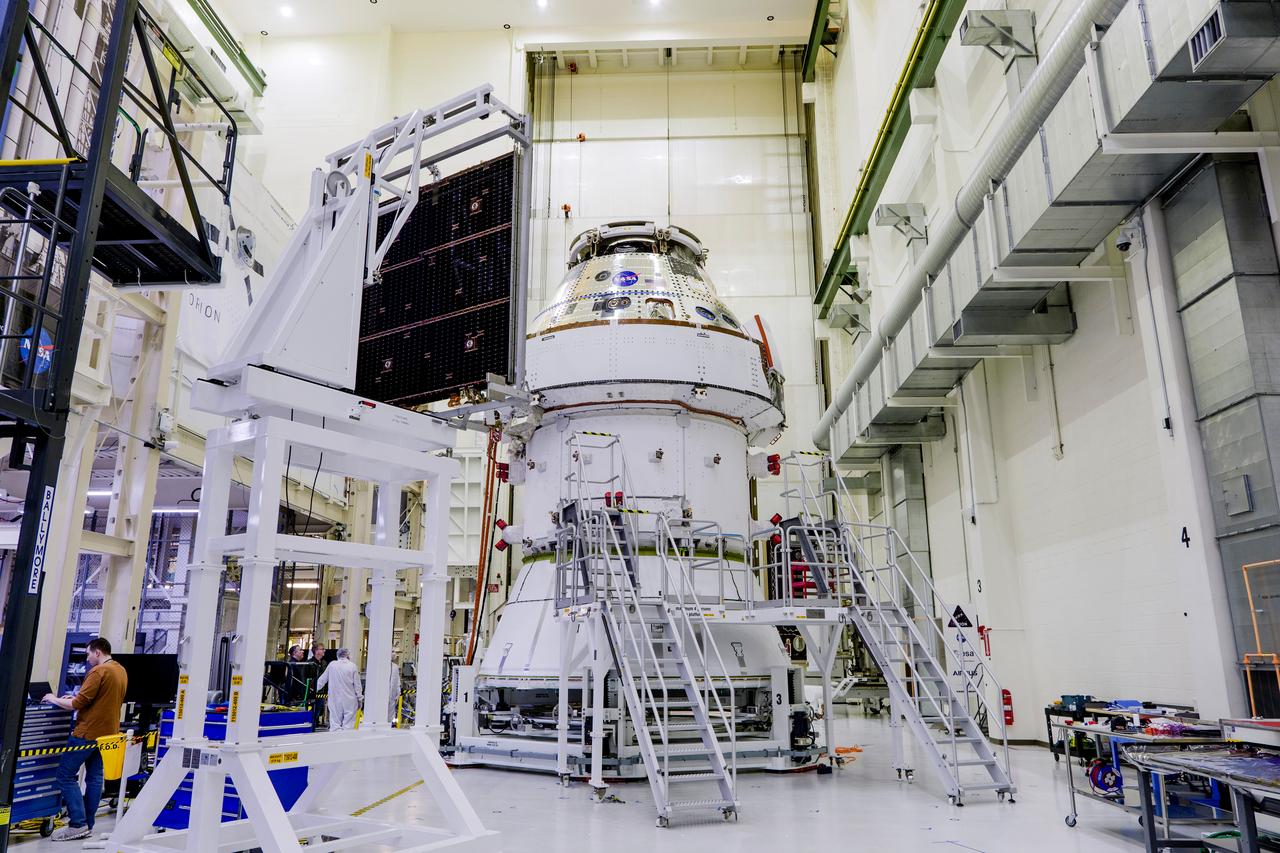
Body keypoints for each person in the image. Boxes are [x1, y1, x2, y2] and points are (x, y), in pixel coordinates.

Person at [42, 637, 127, 842]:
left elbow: (78, 703)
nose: (87, 658)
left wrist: (53, 698)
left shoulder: (99, 671)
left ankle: (77, 824)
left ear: (97, 652)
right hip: (108, 734)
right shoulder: (120, 670)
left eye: (88, 653)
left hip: (87, 733)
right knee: (95, 778)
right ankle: (87, 824)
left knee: (64, 775)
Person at [316, 648, 362, 730]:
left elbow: (321, 680)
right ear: (348, 655)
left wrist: (312, 690)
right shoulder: (352, 666)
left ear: (338, 655)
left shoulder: (332, 665)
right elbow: (357, 685)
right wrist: (360, 698)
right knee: (349, 724)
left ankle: (335, 740)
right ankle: (346, 740)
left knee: (335, 723)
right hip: (350, 699)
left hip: (334, 699)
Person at [389, 655, 401, 724]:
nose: (394, 654)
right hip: (382, 697)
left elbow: (397, 680)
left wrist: (398, 692)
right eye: (392, 652)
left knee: (390, 716)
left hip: (392, 696)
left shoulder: (395, 667)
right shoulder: (381, 666)